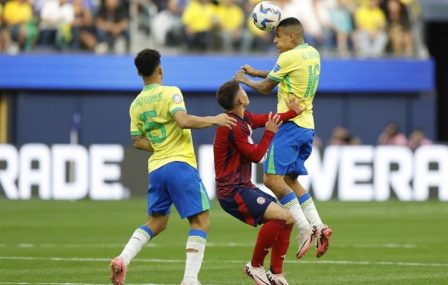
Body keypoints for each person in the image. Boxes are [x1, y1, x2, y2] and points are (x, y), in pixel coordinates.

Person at [110, 49, 236, 285]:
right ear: (160, 69)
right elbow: (183, 120)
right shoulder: (171, 92)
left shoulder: (135, 104)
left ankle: (123, 258)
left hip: (157, 169)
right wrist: (215, 119)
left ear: (139, 73)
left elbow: (137, 141)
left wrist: (159, 145)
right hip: (179, 163)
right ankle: (190, 279)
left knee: (156, 222)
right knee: (200, 221)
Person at [234, 17, 332, 260]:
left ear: (290, 37)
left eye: (277, 36)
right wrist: (257, 72)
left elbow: (268, 87)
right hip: (307, 125)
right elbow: (284, 72)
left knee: (271, 179)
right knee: (289, 179)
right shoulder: (312, 53)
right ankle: (319, 226)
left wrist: (246, 80)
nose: (274, 40)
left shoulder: (287, 57)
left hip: (289, 126)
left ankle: (304, 228)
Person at [214, 80, 304, 285]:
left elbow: (267, 119)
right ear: (239, 99)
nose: (246, 93)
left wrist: (292, 113)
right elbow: (256, 156)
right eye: (242, 91)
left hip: (243, 186)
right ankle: (255, 266)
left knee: (288, 218)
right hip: (232, 191)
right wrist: (270, 133)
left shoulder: (243, 118)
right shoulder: (232, 126)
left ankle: (276, 274)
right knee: (281, 216)